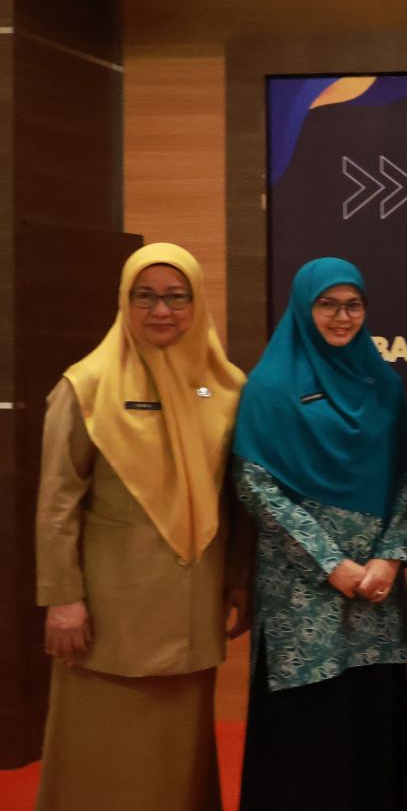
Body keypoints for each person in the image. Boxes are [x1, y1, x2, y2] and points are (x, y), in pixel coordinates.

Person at [34, 243, 248, 811]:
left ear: (197, 303)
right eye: (145, 296)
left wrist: (238, 581)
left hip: (192, 601)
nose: (162, 311)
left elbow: (235, 499)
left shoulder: (226, 388)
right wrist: (62, 599)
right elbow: (57, 503)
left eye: (177, 297)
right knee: (100, 748)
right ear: (124, 302)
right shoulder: (86, 386)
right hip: (109, 610)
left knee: (177, 753)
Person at [232, 257, 407, 810]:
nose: (342, 317)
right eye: (328, 305)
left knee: (371, 719)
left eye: (353, 305)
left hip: (375, 586)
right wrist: (328, 562)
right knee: (308, 730)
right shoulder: (270, 386)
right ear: (303, 307)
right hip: (302, 590)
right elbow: (254, 484)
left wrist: (390, 556)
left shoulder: (382, 383)